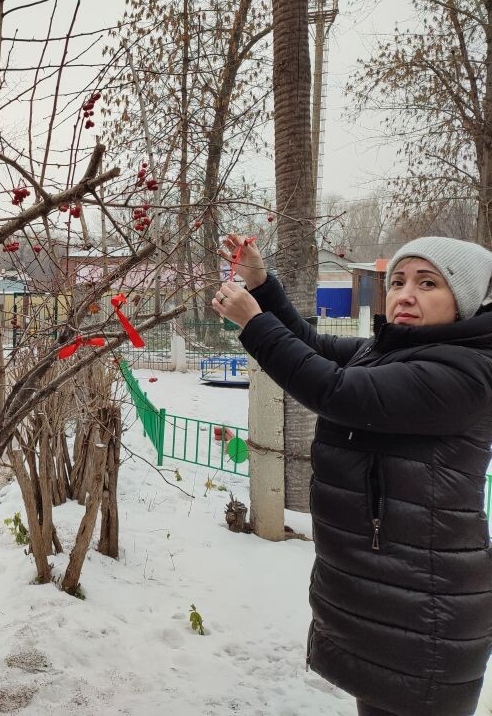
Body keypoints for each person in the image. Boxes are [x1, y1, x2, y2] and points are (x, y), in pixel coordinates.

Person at [211, 234, 492, 716]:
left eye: (428, 283)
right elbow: (311, 344)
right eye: (398, 280)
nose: (405, 294)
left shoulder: (466, 372)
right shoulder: (394, 351)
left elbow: (338, 391)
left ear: (464, 300)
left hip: (425, 609)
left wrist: (254, 324)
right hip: (383, 594)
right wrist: (260, 282)